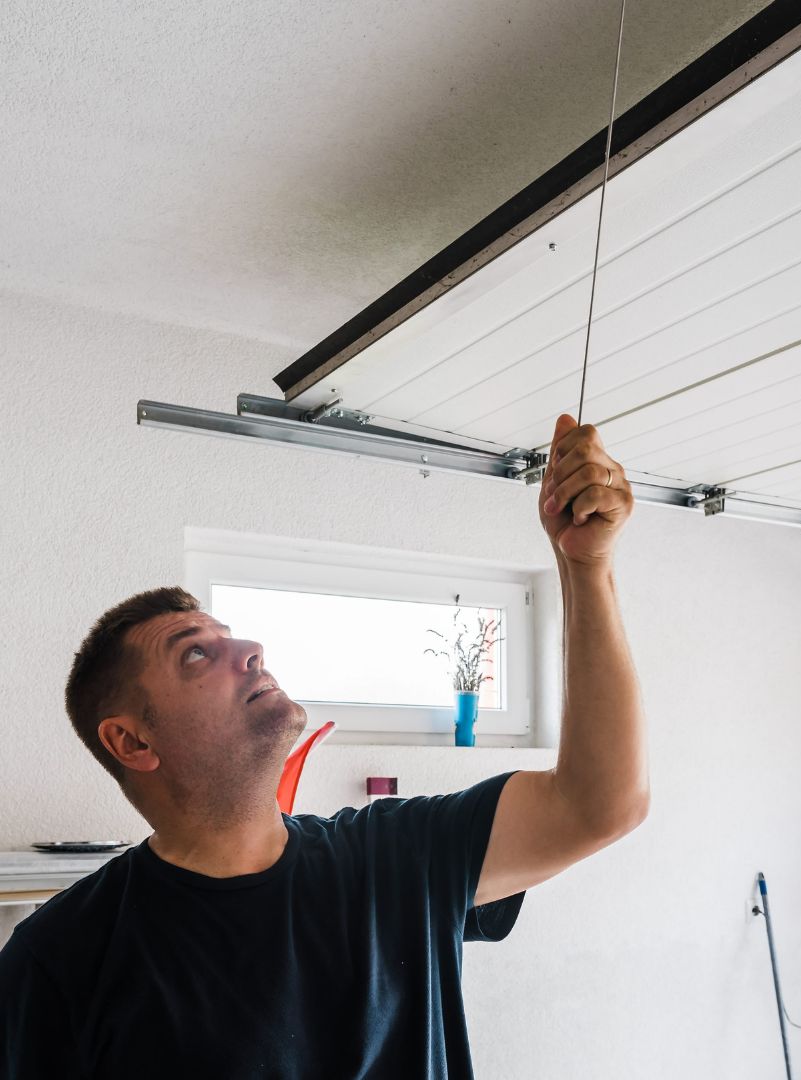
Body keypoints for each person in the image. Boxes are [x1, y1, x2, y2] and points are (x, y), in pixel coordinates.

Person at [0, 414, 649, 1079]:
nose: (249, 650)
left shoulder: (397, 858)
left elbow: (598, 804)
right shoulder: (61, 959)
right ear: (131, 740)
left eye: (233, 636)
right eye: (197, 654)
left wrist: (585, 567)